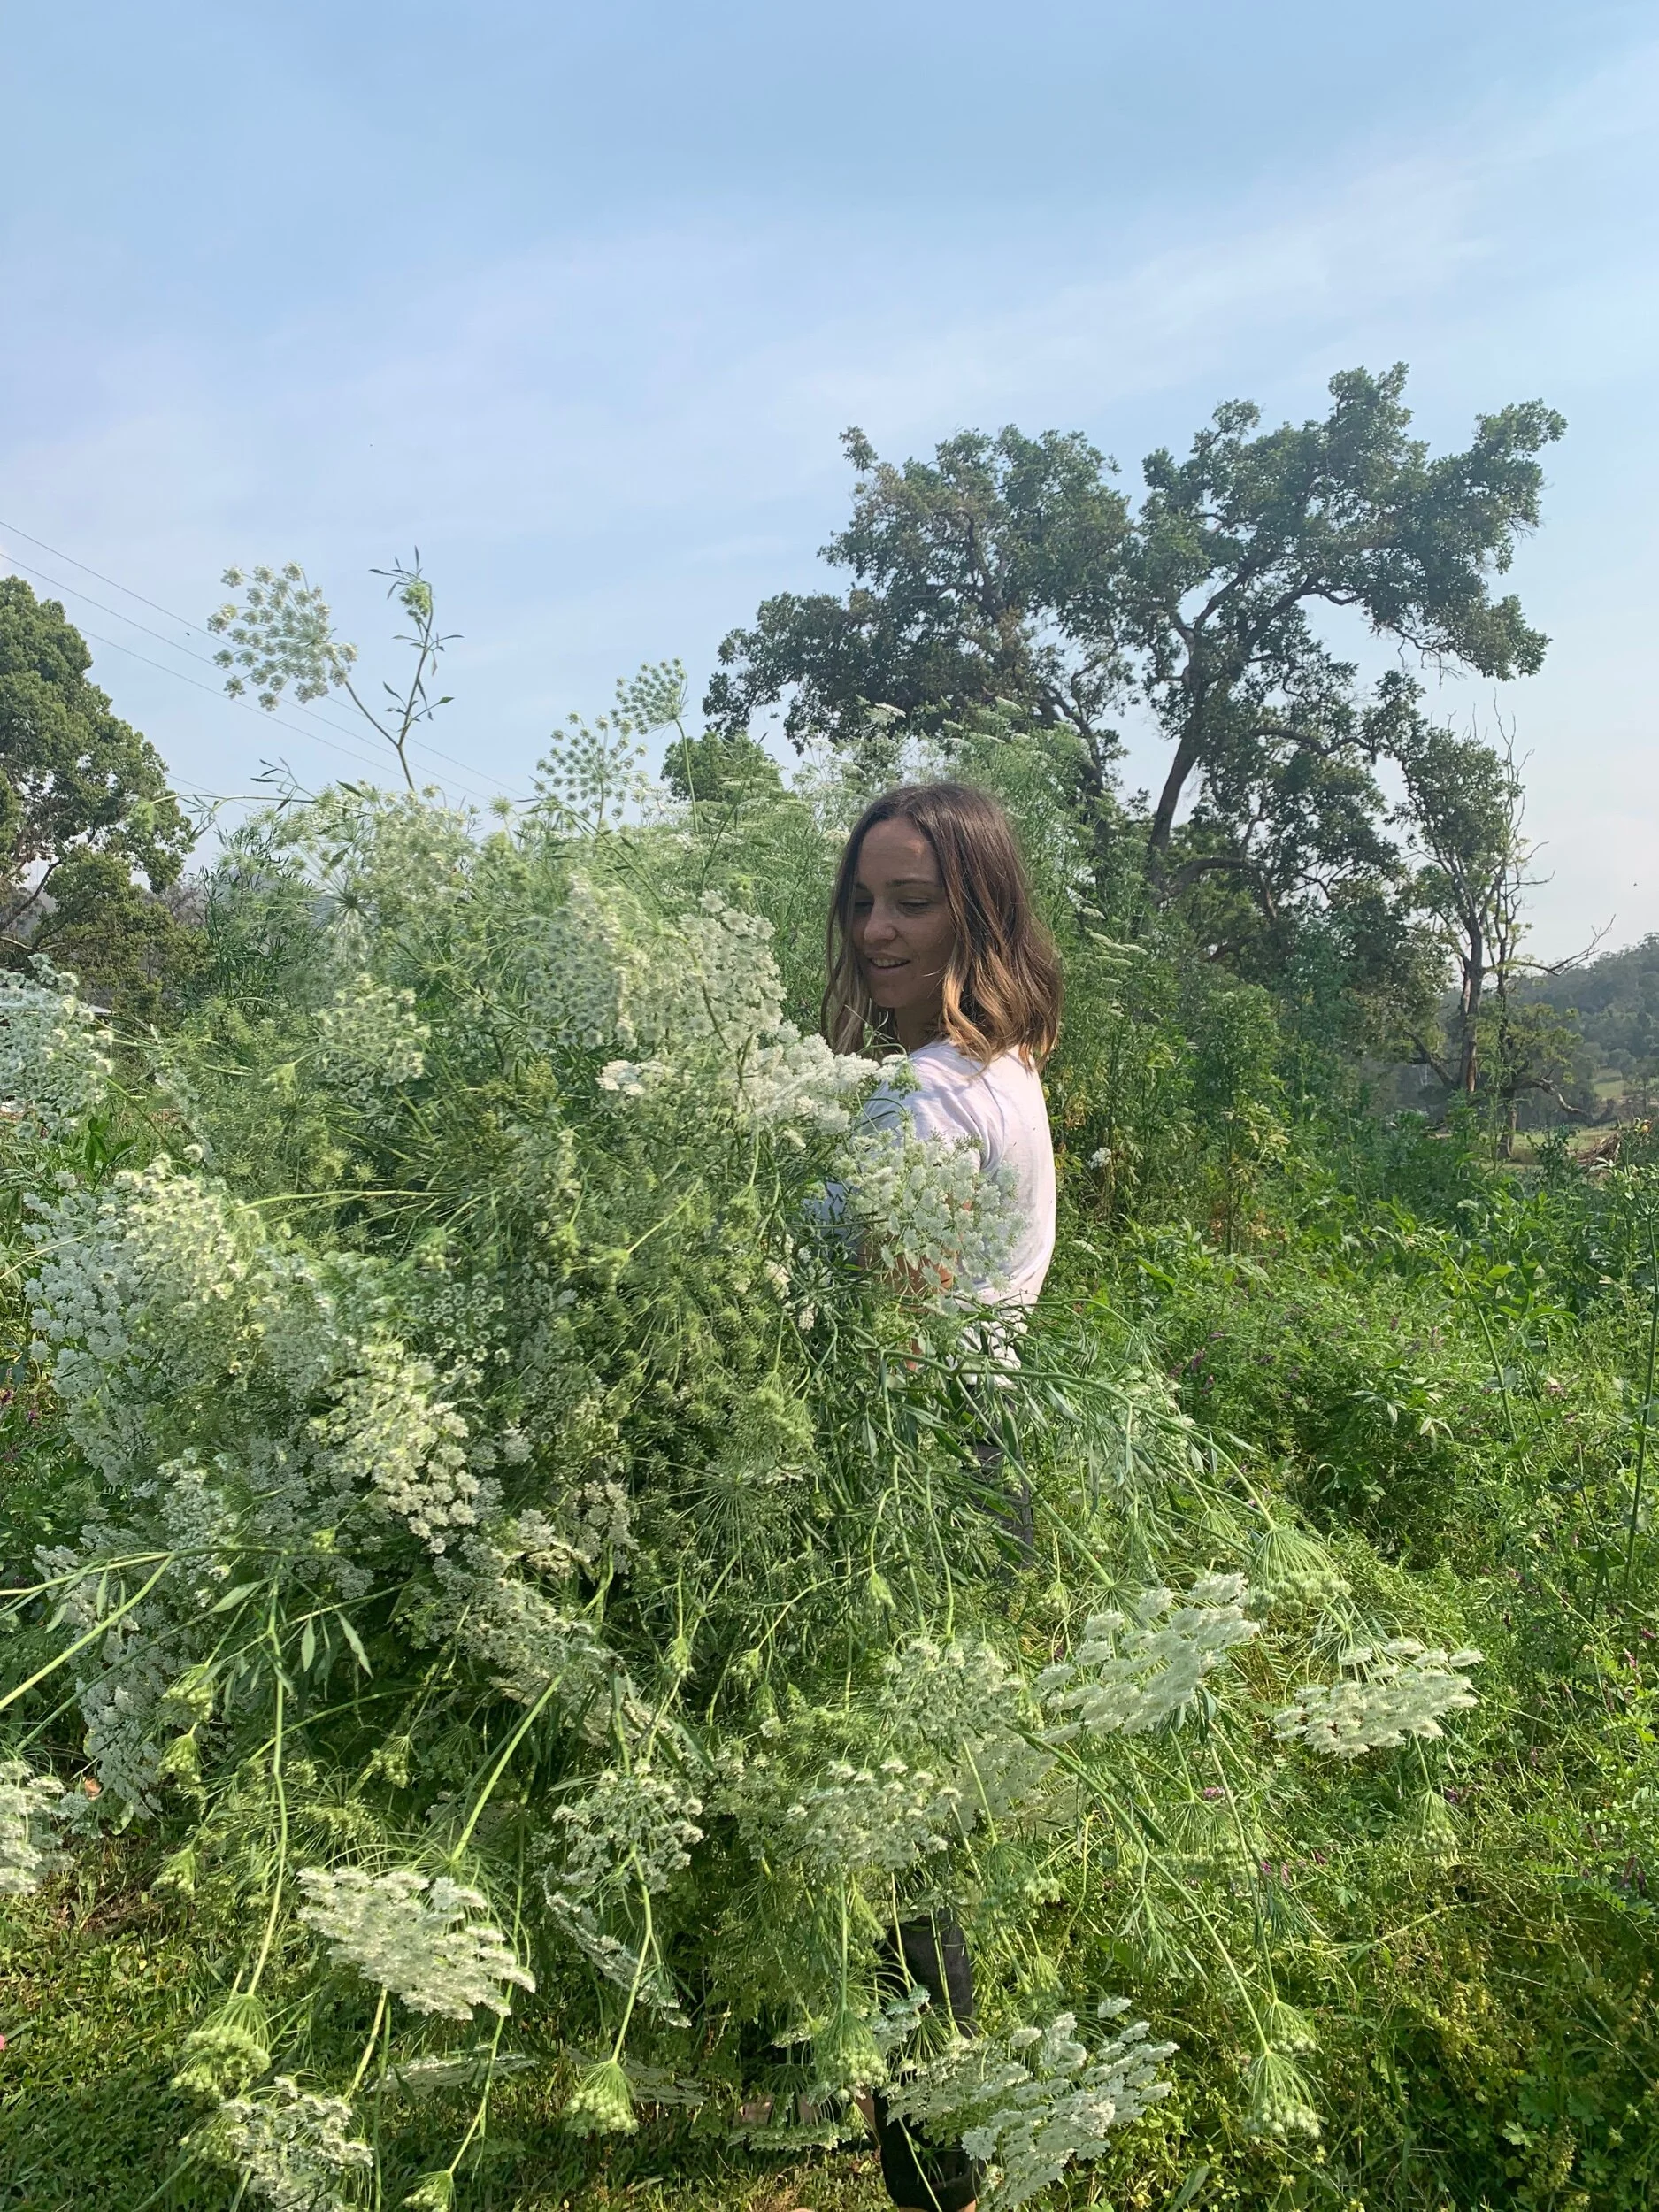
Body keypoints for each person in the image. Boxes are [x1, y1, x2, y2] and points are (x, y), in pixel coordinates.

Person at [823, 781, 1062, 2212]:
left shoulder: (921, 1100)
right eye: (862, 899)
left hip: (905, 1479)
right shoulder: (1003, 1066)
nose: (876, 929)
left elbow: (882, 1330)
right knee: (909, 1824)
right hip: (983, 1463)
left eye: (913, 900)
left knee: (888, 1847)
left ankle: (935, 2169)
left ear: (977, 908)